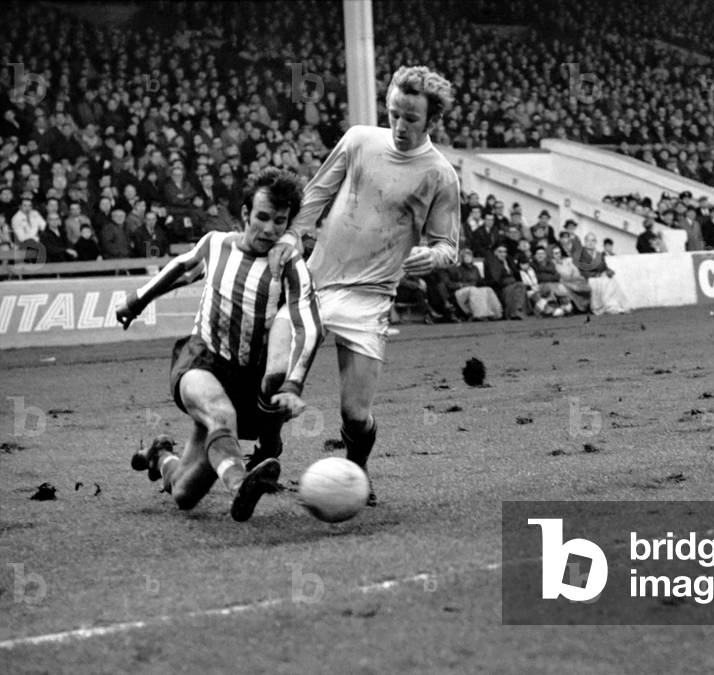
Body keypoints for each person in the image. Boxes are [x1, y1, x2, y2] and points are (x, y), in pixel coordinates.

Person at [267, 66, 460, 507]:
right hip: (315, 283)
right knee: (275, 373)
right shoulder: (358, 140)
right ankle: (268, 450)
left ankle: (356, 471)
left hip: (370, 299)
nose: (400, 126)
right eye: (394, 114)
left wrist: (430, 257)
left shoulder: (439, 175)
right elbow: (316, 193)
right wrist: (293, 235)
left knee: (354, 415)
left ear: (432, 121)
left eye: (411, 118)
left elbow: (448, 245)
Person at [117, 168, 322, 522]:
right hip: (200, 360)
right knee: (221, 416)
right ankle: (241, 485)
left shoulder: (289, 265)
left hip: (244, 380)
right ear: (245, 214)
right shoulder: (216, 243)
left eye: (279, 221)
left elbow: (309, 322)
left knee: (184, 494)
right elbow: (182, 268)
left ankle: (159, 454)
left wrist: (293, 383)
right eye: (261, 217)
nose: (269, 229)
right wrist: (136, 301)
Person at [577, 232, 630, 315]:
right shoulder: (581, 255)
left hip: (600, 277)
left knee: (611, 280)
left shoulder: (599, 254)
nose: (590, 243)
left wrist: (608, 270)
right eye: (588, 241)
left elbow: (604, 266)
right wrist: (595, 275)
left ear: (595, 242)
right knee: (604, 281)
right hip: (589, 279)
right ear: (585, 242)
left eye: (593, 241)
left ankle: (615, 305)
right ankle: (607, 306)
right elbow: (582, 271)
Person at [448, 248, 502, 320]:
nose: (468, 258)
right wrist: (463, 285)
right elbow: (450, 284)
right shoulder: (457, 269)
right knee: (473, 290)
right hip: (461, 290)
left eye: (469, 256)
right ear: (462, 258)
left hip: (475, 288)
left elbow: (479, 282)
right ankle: (480, 314)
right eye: (465, 256)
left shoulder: (475, 268)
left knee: (488, 289)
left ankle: (495, 313)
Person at [484, 242, 528, 319]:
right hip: (500, 288)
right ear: (495, 253)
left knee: (520, 286)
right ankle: (514, 312)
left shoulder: (509, 261)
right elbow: (496, 279)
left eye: (504, 252)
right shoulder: (492, 262)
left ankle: (514, 312)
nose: (503, 254)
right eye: (500, 252)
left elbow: (516, 274)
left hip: (513, 285)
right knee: (519, 286)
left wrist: (507, 266)